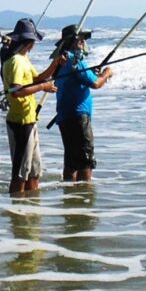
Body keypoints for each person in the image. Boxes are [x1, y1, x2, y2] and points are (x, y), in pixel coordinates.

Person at [0, 18, 63, 196]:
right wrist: (44, 88)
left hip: (30, 119)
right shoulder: (16, 62)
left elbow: (38, 79)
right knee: (20, 173)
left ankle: (31, 210)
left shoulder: (23, 59)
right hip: (20, 122)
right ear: (30, 41)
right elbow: (16, 91)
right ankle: (17, 213)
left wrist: (55, 64)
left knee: (34, 171)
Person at [52, 24, 113, 182]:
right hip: (79, 117)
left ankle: (70, 196)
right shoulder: (75, 61)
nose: (82, 42)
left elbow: (79, 78)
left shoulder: (61, 62)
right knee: (85, 162)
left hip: (64, 116)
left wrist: (92, 74)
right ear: (70, 41)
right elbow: (96, 84)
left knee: (71, 162)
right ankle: (84, 197)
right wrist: (107, 73)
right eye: (79, 39)